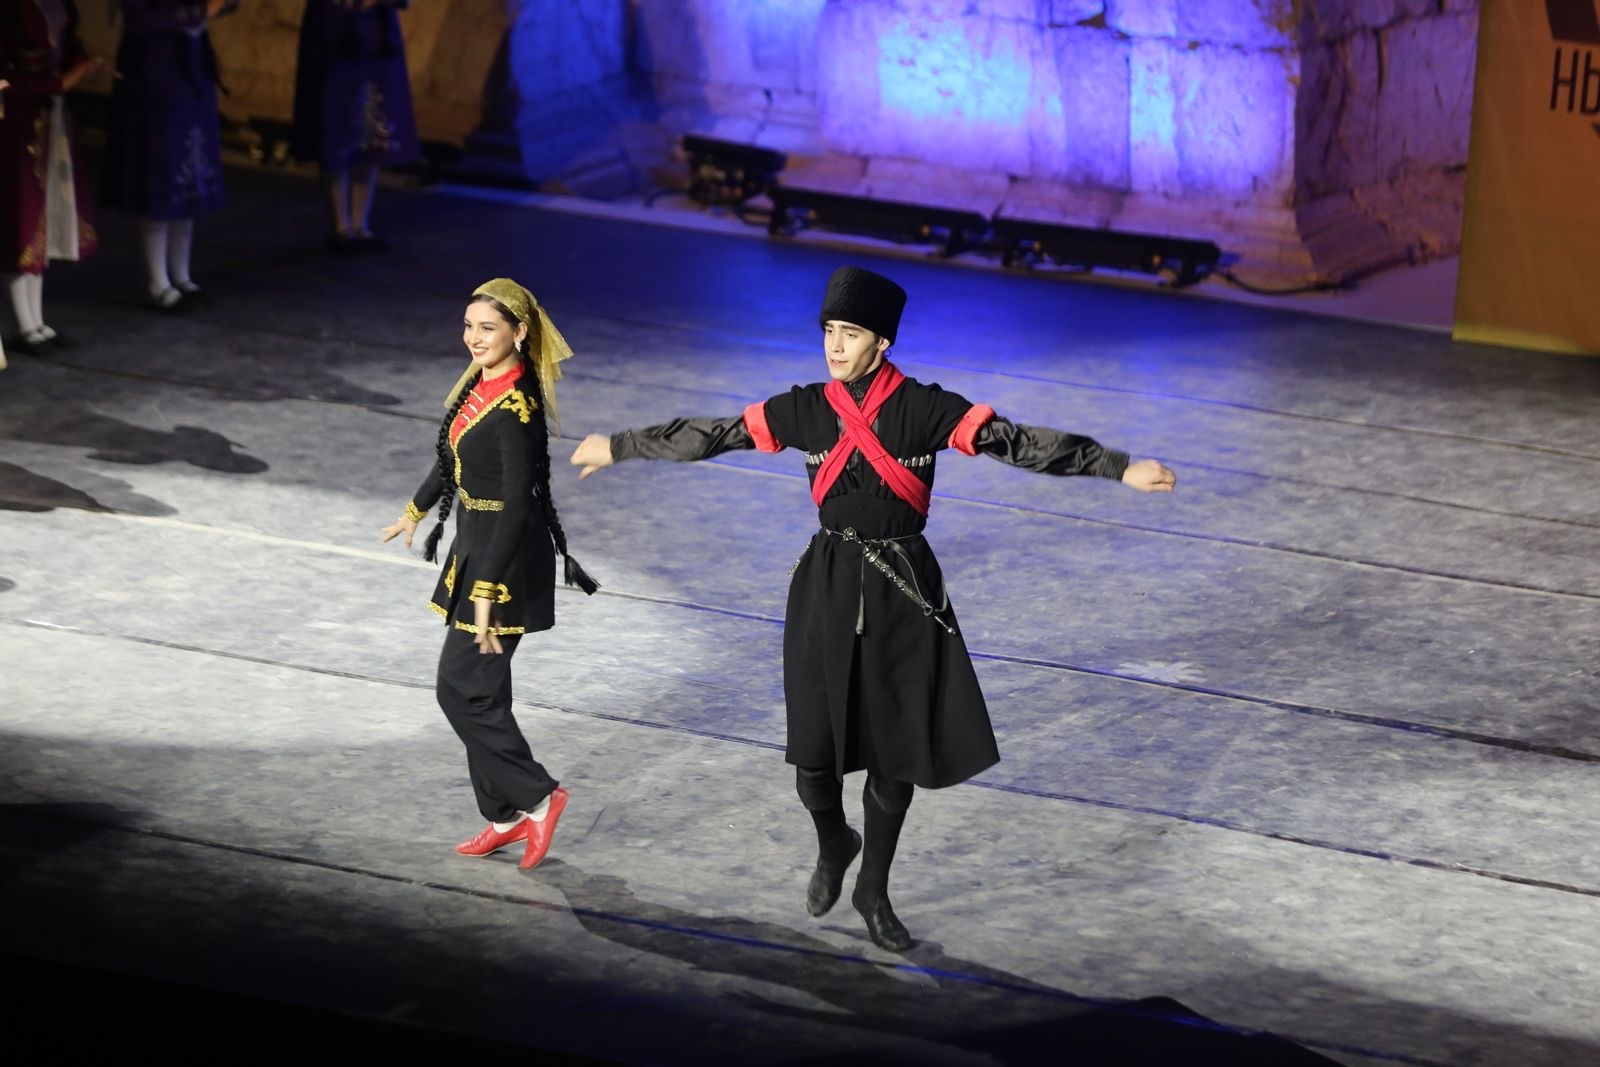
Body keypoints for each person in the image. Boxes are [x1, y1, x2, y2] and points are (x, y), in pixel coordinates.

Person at [570, 265, 1176, 951]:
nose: (834, 344)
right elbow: (716, 433)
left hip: (902, 588)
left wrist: (1117, 466)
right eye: (829, 330)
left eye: (851, 333)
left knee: (893, 754)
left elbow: (1018, 443)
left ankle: (874, 889)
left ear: (882, 341)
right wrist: (620, 446)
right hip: (827, 583)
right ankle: (835, 840)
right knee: (813, 759)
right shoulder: (805, 407)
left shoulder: (926, 408)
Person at [383, 279, 599, 871]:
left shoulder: (518, 410)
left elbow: (519, 505)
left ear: (519, 333)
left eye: (488, 328)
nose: (474, 338)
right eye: (469, 326)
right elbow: (450, 457)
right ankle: (504, 816)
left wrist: (484, 593)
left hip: (506, 557)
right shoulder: (481, 387)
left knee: (459, 687)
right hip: (476, 543)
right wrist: (415, 511)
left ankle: (538, 797)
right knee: (483, 689)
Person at [104, 0, 237, 311]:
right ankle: (157, 281)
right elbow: (139, 18)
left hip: (191, 65)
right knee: (159, 169)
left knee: (188, 168)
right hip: (155, 69)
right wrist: (202, 11)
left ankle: (181, 274)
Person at [1, 0, 101, 354]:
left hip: (50, 112)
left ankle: (37, 321)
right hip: (18, 114)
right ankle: (23, 324)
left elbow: (68, 40)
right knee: (22, 213)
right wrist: (56, 83)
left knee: (42, 212)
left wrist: (81, 64)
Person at [291, 0, 419, 253]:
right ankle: (341, 226)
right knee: (334, 125)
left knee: (370, 125)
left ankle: (360, 224)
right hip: (334, 29)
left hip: (376, 32)